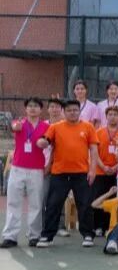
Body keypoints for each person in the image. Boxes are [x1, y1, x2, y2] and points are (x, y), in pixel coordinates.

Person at [36, 99, 101, 248]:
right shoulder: (55, 127)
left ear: (79, 111)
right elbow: (45, 140)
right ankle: (47, 236)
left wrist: (92, 170)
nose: (72, 113)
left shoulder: (88, 127)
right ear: (64, 112)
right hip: (59, 173)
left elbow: (93, 150)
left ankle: (87, 235)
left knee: (84, 205)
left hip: (82, 173)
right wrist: (42, 142)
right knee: (53, 205)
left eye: (75, 110)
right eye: (69, 110)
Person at [1, 98, 50, 248]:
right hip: (18, 168)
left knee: (36, 203)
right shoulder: (20, 123)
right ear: (26, 109)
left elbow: (50, 143)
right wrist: (16, 126)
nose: (33, 108)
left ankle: (34, 235)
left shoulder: (46, 126)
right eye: (30, 106)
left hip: (37, 169)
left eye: (36, 106)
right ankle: (10, 236)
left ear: (41, 110)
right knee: (13, 202)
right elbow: (14, 127)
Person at [92, 105, 118, 237]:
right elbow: (94, 153)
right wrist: (103, 166)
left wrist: (116, 167)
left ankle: (109, 226)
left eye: (115, 114)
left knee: (114, 198)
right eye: (110, 114)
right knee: (100, 197)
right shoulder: (98, 132)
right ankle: (98, 226)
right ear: (106, 116)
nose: (112, 117)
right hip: (101, 171)